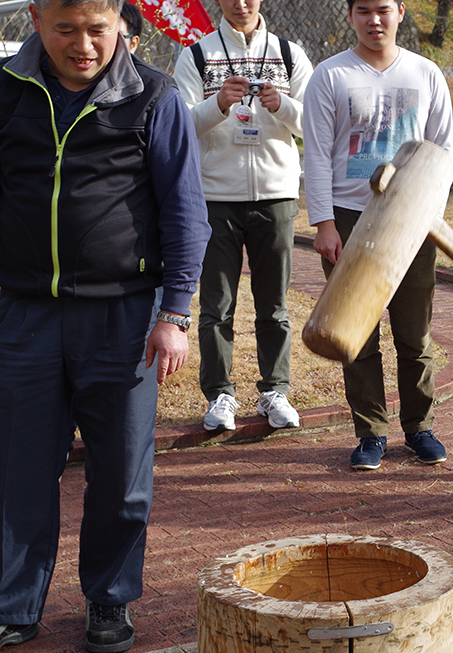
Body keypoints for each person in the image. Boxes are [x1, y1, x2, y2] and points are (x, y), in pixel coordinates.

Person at [0, 0, 210, 649]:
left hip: (124, 314)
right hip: (23, 311)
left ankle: (109, 599)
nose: (84, 45)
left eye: (97, 29)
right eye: (66, 29)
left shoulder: (154, 96)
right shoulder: (6, 90)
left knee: (120, 471)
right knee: (19, 469)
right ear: (36, 20)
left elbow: (185, 211)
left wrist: (175, 314)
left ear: (119, 22)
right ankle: (14, 603)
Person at [303, 0, 453, 470]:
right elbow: (316, 154)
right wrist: (324, 224)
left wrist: (429, 214)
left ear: (401, 12)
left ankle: (420, 428)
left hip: (410, 219)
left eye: (383, 9)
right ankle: (371, 433)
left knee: (415, 334)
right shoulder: (330, 75)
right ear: (350, 15)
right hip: (350, 217)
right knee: (358, 334)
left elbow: (442, 152)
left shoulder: (426, 73)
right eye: (363, 10)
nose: (374, 20)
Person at [174, 0, 313, 432]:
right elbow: (178, 124)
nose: (240, 3)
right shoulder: (197, 54)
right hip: (214, 196)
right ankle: (220, 395)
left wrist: (282, 105)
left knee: (274, 304)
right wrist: (217, 103)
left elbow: (313, 124)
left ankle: (275, 391)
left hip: (275, 195)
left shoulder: (290, 54)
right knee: (216, 305)